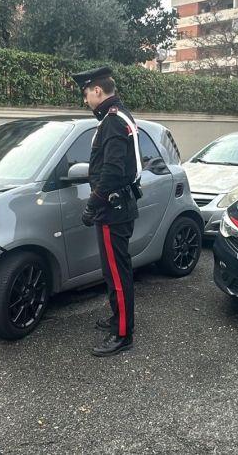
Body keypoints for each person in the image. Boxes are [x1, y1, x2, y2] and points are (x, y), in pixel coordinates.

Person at [71, 66, 141, 357]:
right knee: (114, 272)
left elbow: (112, 171)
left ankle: (123, 334)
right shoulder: (117, 116)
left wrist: (92, 204)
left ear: (97, 91)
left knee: (117, 273)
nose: (85, 99)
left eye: (86, 93)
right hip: (117, 206)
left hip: (113, 209)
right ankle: (118, 318)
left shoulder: (112, 121)